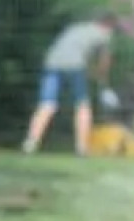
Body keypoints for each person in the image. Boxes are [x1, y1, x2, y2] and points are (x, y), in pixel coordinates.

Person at [21, 16, 115, 155]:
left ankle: (30, 143)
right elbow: (104, 60)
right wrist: (101, 76)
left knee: (47, 105)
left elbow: (76, 50)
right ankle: (81, 148)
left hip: (52, 63)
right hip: (75, 66)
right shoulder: (103, 34)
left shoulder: (76, 28)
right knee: (82, 105)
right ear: (107, 26)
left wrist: (88, 70)